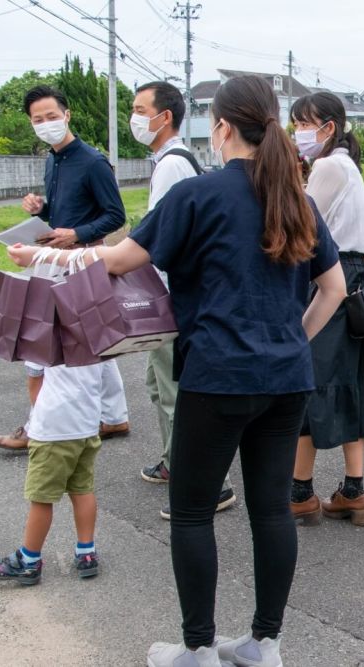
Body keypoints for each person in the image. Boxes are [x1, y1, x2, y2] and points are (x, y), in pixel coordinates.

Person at [8, 75, 346, 667]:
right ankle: (265, 644)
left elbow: (118, 260)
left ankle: (197, 650)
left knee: (191, 511)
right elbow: (334, 288)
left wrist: (43, 254)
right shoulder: (297, 197)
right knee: (270, 508)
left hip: (216, 376)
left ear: (220, 128)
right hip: (287, 379)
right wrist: (292, 339)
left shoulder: (199, 195)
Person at [288, 92, 364, 527]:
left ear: (329, 128)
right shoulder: (348, 166)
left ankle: (300, 492)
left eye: (304, 123)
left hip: (330, 283)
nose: (298, 132)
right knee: (353, 385)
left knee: (311, 383)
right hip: (358, 285)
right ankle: (353, 491)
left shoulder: (328, 166)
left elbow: (298, 222)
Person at [0, 85, 129, 452]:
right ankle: (114, 417)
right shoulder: (52, 159)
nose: (46, 124)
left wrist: (77, 233)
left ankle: (40, 427)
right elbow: (63, 211)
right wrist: (40, 210)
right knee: (95, 339)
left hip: (83, 261)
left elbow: (115, 215)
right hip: (54, 258)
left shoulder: (93, 161)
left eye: (52, 116)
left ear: (67, 115)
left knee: (45, 342)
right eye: (38, 119)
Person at [129, 80, 237, 519]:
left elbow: (157, 239)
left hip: (169, 297)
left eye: (140, 109)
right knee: (159, 385)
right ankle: (176, 464)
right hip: (170, 293)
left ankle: (209, 484)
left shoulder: (173, 165)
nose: (134, 117)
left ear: (164, 116)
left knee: (174, 390)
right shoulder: (172, 162)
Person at [0, 348, 109, 585]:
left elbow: (35, 385)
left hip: (52, 430)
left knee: (41, 498)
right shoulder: (95, 334)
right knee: (82, 489)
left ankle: (29, 560)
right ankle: (87, 553)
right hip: (87, 426)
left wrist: (37, 423)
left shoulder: (42, 337)